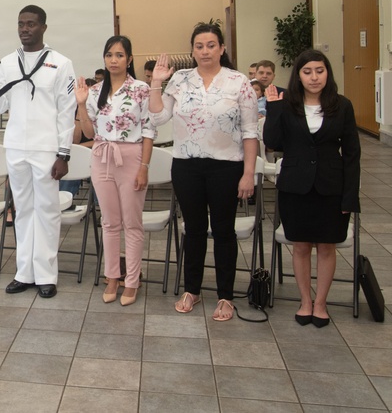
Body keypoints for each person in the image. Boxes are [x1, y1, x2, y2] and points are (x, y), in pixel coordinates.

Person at [149, 22, 259, 321]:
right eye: (199, 46)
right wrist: (157, 82)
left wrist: (248, 173)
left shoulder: (239, 82)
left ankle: (225, 296)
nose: (205, 51)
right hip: (187, 165)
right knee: (193, 229)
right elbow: (158, 118)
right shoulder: (181, 80)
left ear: (222, 49)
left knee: (224, 231)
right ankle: (192, 289)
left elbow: (250, 132)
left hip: (227, 166)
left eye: (211, 45)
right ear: (193, 50)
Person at [0, 5, 77, 299]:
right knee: (22, 211)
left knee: (47, 211)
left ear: (43, 28)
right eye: (21, 24)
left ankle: (46, 275)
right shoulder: (7, 63)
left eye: (31, 24)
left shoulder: (60, 63)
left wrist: (63, 154)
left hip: (47, 148)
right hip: (16, 147)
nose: (25, 29)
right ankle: (25, 272)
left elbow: (66, 111)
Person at [262, 50, 360, 328]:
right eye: (307, 72)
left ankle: (321, 303)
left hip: (332, 186)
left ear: (327, 73)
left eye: (319, 70)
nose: (314, 77)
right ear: (298, 76)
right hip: (296, 185)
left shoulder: (342, 105)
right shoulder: (287, 105)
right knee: (301, 246)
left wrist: (350, 196)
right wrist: (273, 108)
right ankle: (305, 301)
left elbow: (352, 154)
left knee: (327, 247)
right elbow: (272, 141)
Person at [75, 35, 155, 306]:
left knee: (132, 223)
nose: (114, 60)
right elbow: (87, 132)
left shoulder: (141, 89)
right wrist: (81, 103)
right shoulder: (96, 91)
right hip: (101, 156)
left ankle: (131, 281)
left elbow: (148, 131)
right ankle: (112, 277)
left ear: (129, 59)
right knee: (109, 223)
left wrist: (144, 167)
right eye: (109, 55)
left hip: (131, 157)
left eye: (120, 55)